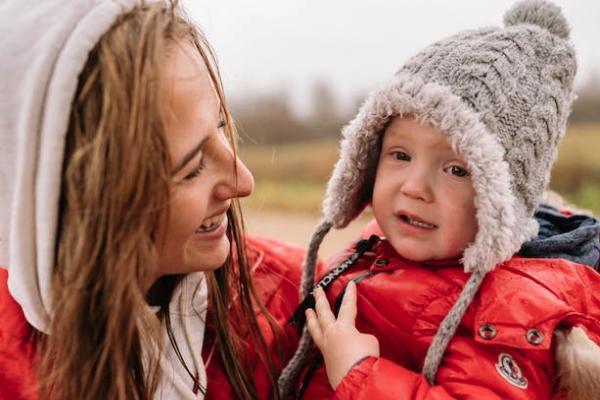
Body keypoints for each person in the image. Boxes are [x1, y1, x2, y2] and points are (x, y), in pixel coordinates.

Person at [277, 0, 600, 399]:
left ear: (502, 199)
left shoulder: (507, 309)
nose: (414, 187)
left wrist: (361, 374)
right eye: (400, 155)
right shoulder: (381, 242)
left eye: (456, 170)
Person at [0, 1, 305, 399]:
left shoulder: (300, 307)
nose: (243, 182)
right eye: (193, 167)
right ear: (80, 204)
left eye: (220, 126)